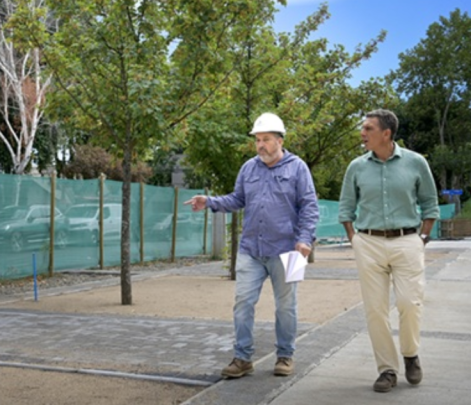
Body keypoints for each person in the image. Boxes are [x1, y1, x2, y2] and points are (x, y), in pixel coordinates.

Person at [185, 112, 319, 379]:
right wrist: (209, 201)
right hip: (251, 250)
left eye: (266, 139)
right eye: (258, 140)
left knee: (286, 306)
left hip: (288, 251)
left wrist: (305, 239)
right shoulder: (249, 168)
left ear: (280, 140)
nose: (261, 145)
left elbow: (309, 206)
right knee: (243, 302)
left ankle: (285, 356)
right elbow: (237, 199)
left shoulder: (298, 167)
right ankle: (243, 358)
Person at [338, 109, 439, 393]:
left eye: (368, 129)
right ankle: (387, 370)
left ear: (386, 133)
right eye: (363, 128)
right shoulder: (356, 166)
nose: (362, 133)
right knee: (375, 309)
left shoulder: (415, 162)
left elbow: (430, 203)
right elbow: (346, 207)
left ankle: (410, 354)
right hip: (368, 243)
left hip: (407, 240)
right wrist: (353, 237)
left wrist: (422, 237)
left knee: (409, 302)